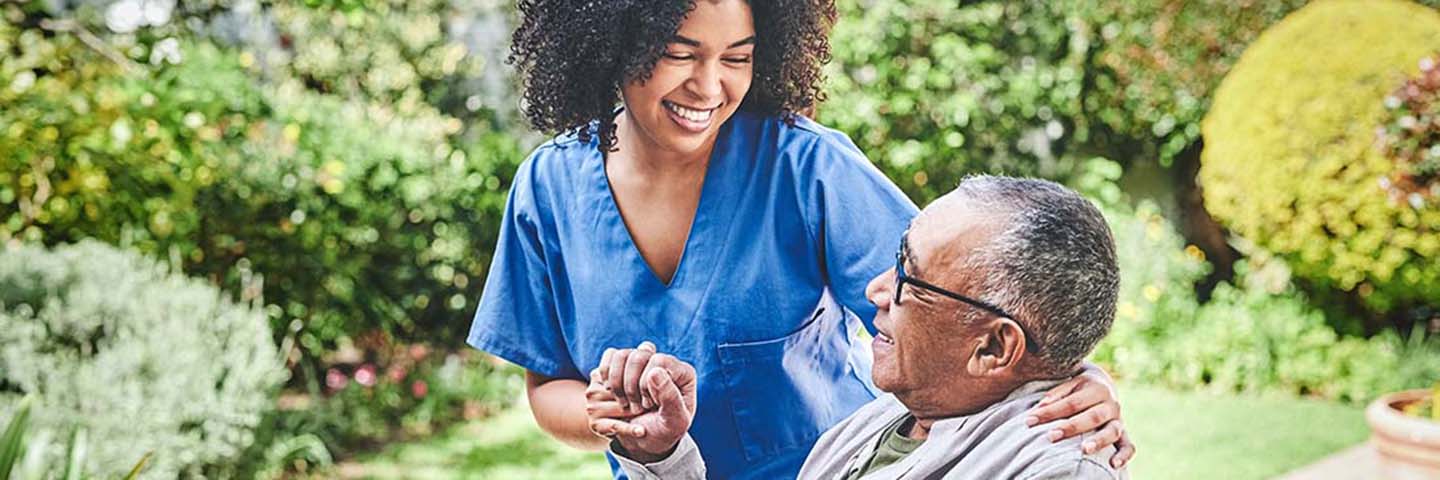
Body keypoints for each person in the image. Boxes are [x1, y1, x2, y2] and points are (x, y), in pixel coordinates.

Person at [467, 0, 1135, 478]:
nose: (709, 86)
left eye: (738, 57)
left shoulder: (805, 167)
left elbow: (959, 309)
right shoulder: (547, 188)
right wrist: (618, 416)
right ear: (610, 44)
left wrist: (1075, 378)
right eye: (678, 54)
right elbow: (547, 387)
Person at [595, 176, 1126, 479]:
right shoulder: (885, 420)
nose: (874, 289)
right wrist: (662, 456)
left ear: (992, 346)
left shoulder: (1052, 472)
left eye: (908, 277)